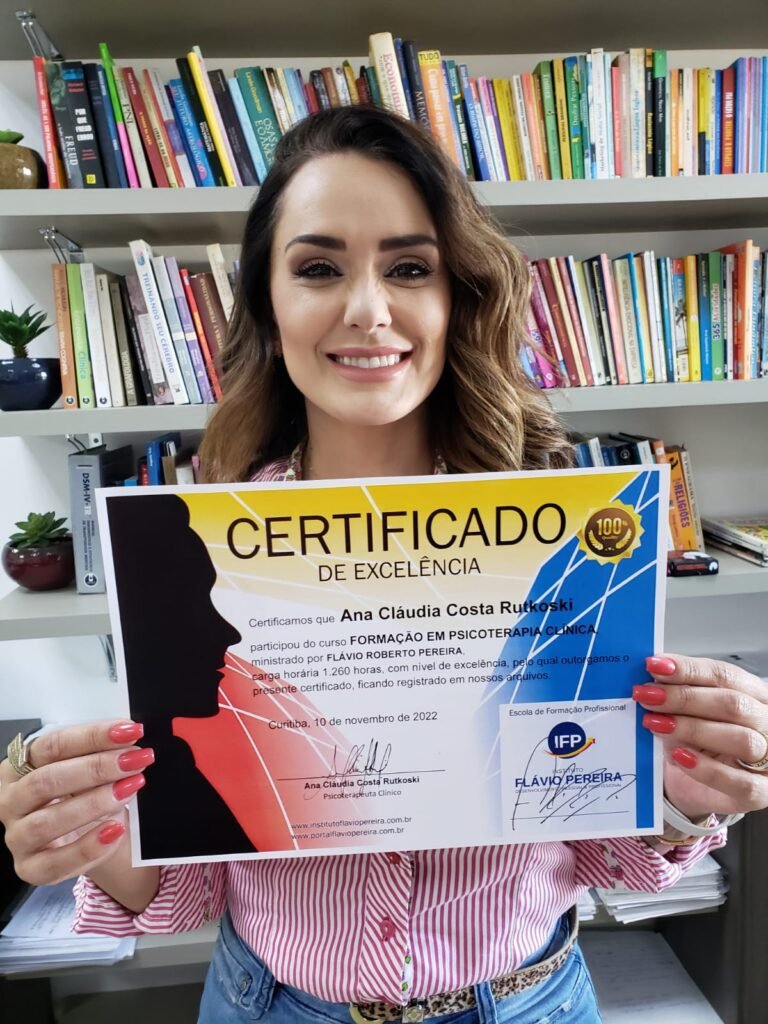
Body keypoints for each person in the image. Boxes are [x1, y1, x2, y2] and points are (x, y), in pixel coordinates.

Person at [2, 106, 768, 1024]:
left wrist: (686, 793)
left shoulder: (560, 544)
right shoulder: (198, 558)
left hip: (527, 1002)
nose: (368, 310)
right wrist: (87, 837)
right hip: (273, 1005)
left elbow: (609, 856)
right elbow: (190, 885)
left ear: (457, 298)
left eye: (409, 268)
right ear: (268, 304)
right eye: (318, 268)